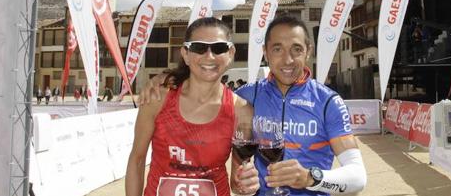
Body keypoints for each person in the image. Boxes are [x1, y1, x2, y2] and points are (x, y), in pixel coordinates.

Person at [142, 16, 367, 196]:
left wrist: (312, 178)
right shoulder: (247, 96)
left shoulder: (328, 102)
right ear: (265, 52)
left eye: (296, 49)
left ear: (308, 51)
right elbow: (205, 84)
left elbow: (358, 178)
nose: (288, 60)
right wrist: (166, 78)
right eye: (277, 49)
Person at [125, 17, 260, 196]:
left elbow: (237, 184)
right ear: (186, 54)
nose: (209, 56)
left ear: (231, 53)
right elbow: (137, 160)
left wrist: (246, 184)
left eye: (219, 48)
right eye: (199, 47)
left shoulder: (242, 111)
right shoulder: (157, 98)